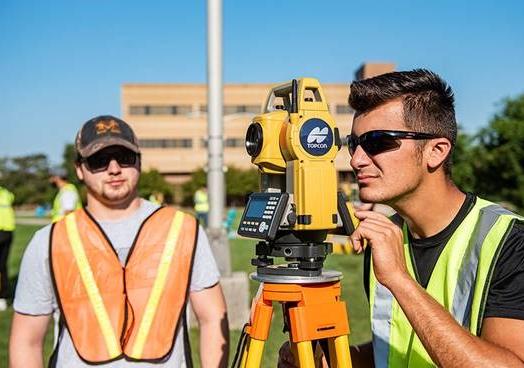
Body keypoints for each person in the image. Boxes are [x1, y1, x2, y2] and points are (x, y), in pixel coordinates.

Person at [280, 69, 524, 367]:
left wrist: (399, 279)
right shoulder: (385, 238)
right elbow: (399, 348)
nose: (356, 159)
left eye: (378, 141)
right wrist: (334, 361)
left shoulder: (509, 241)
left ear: (436, 151)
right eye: (354, 144)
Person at [10, 115, 229, 367]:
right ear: (79, 169)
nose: (114, 168)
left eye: (124, 157)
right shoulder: (48, 241)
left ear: (139, 162)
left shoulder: (184, 229)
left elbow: (213, 318)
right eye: (99, 160)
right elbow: (27, 340)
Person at [0, 185, 15, 312]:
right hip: (7, 232)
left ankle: (3, 296)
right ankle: (3, 296)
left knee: (1, 266)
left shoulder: (5, 194)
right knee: (2, 266)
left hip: (3, 232)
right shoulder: (6, 193)